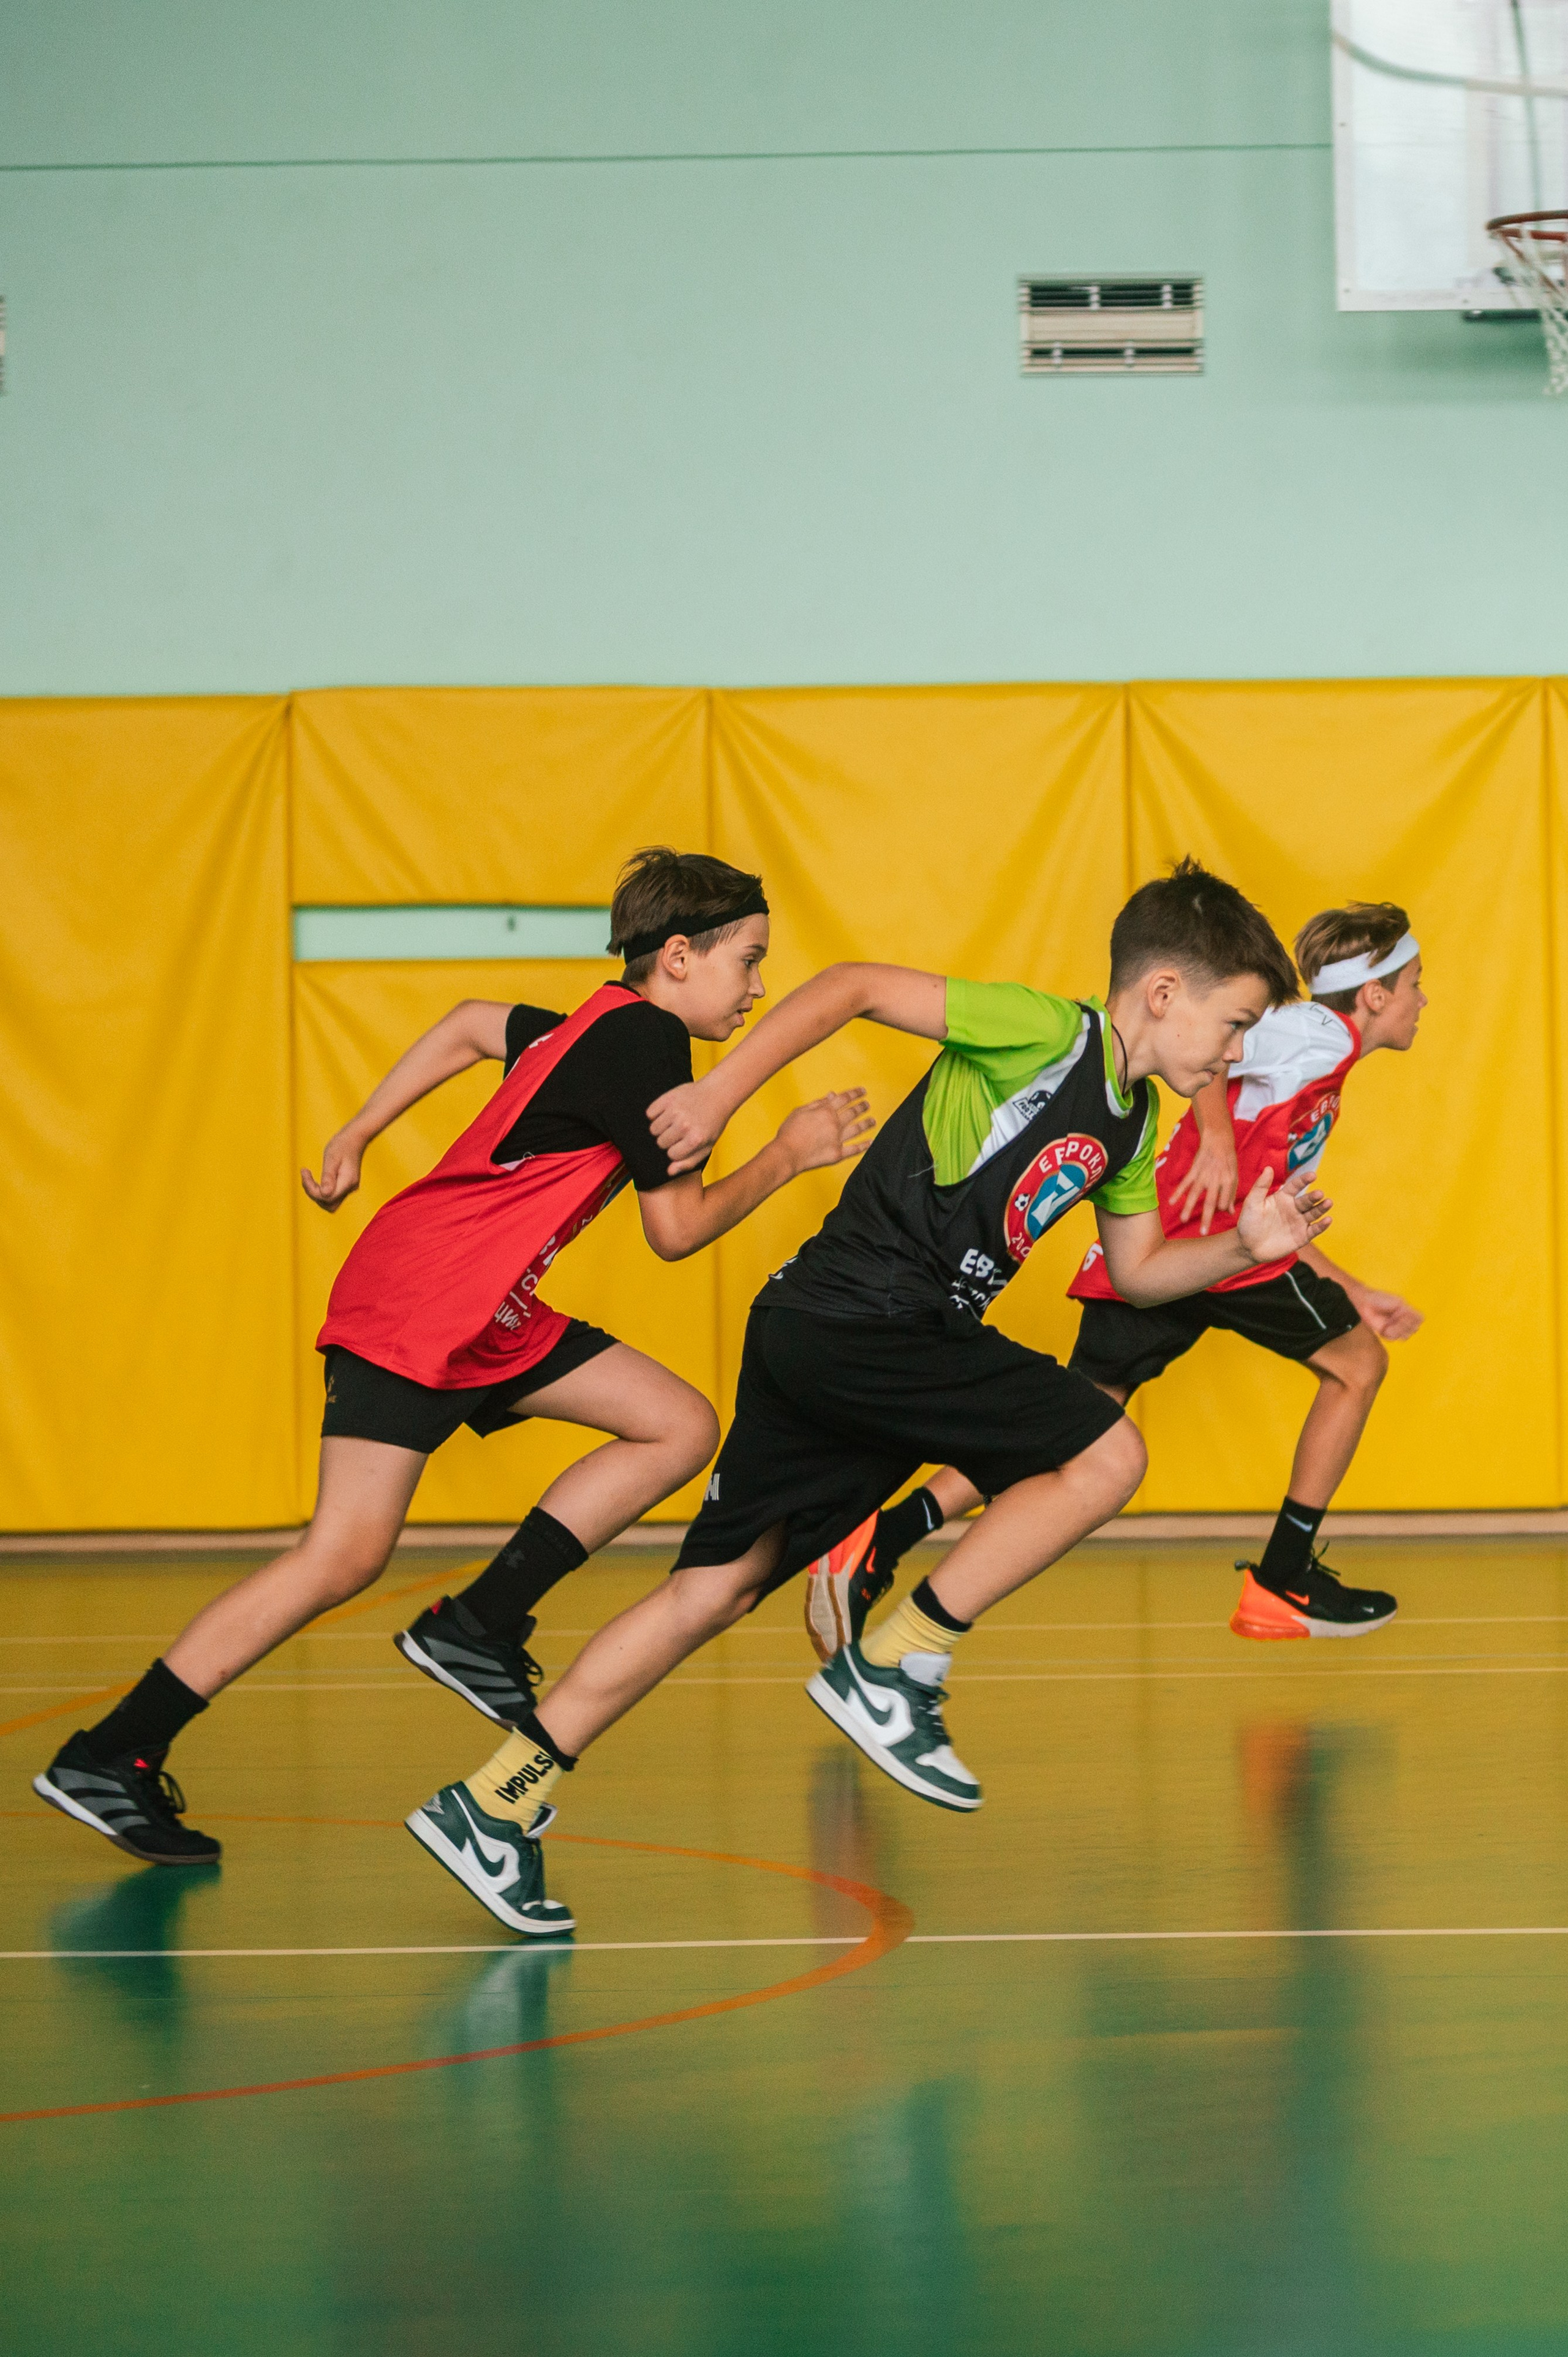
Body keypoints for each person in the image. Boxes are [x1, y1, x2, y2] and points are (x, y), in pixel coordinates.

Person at [407, 858, 1331, 1930]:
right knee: (1107, 1451)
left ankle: (494, 1803)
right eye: (1234, 1025)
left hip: (837, 1335)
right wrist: (718, 1090)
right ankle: (897, 1662)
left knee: (711, 1591)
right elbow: (850, 984)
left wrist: (1244, 1248)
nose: (1233, 1055)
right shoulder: (1046, 1032)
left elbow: (1138, 1273)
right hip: (870, 1313)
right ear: (1163, 995)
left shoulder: (1130, 1126)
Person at [33, 848, 871, 1914]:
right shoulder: (648, 1041)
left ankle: (480, 1624)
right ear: (677, 957)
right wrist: (790, 1154)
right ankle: (116, 1752)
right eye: (748, 961)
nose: (757, 986)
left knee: (674, 1424)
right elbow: (676, 1229)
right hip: (430, 1298)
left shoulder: (587, 1024)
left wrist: (360, 1129)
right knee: (341, 1554)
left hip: (484, 1304)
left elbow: (476, 1019)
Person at [871, 902, 1425, 1644]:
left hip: (1172, 1246)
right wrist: (1218, 1144)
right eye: (1416, 982)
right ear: (1375, 994)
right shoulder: (1317, 1034)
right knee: (1357, 1368)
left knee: (1079, 1416)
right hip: (1209, 1250)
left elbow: (1276, 1209)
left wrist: (1354, 1289)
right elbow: (1205, 1043)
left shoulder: (1325, 1067)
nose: (1425, 1000)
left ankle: (887, 1532)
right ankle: (1282, 1579)